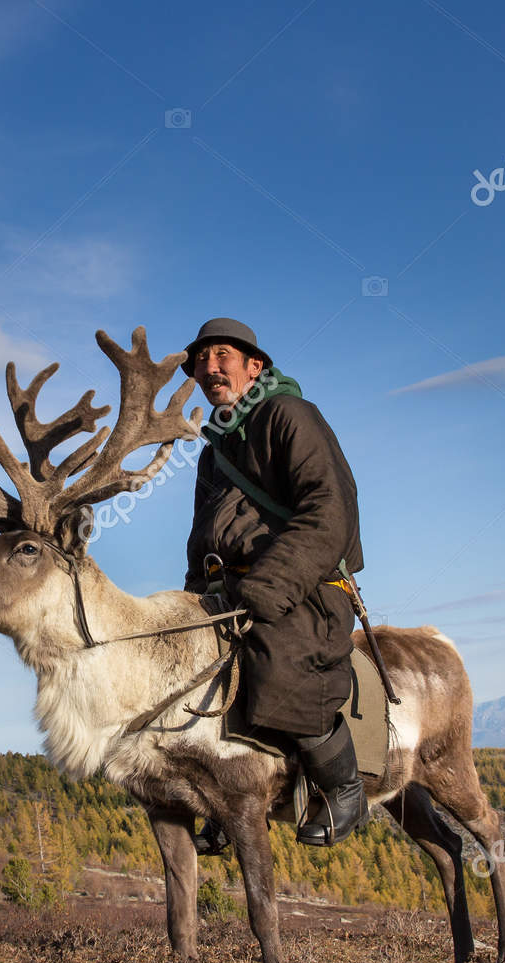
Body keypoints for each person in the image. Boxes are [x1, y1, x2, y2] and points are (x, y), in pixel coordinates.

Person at [180, 317, 370, 851]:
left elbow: (331, 513)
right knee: (195, 676)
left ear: (254, 366)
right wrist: (191, 602)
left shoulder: (291, 415)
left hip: (307, 587)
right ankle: (230, 796)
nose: (210, 367)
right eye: (201, 360)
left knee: (278, 662)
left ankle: (343, 788)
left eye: (223, 356)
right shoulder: (213, 451)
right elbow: (201, 537)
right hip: (231, 590)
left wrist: (268, 588)